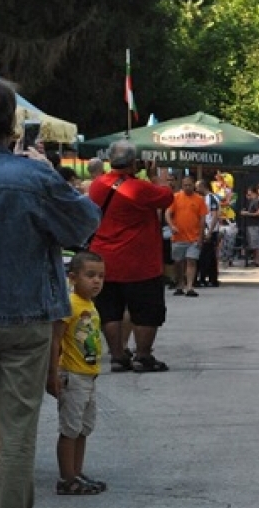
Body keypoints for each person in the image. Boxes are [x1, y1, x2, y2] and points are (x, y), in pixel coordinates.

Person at [0, 79, 100, 508]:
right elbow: (84, 225)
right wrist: (48, 174)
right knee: (17, 430)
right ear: (11, 124)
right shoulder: (32, 176)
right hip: (25, 316)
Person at [88, 139, 175, 373]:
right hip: (139, 260)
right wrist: (155, 175)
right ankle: (143, 356)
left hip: (104, 257)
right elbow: (167, 197)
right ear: (134, 162)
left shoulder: (97, 185)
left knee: (110, 310)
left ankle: (117, 355)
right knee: (146, 310)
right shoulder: (140, 188)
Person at [47, 251, 108, 495]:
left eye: (101, 276)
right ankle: (66, 478)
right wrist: (52, 373)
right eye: (90, 275)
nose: (96, 281)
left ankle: (77, 472)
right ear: (72, 278)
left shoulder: (90, 304)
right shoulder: (70, 304)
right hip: (72, 375)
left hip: (88, 375)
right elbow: (55, 340)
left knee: (83, 427)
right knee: (70, 429)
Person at [166, 176, 209, 297]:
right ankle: (180, 284)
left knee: (191, 261)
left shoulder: (199, 200)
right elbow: (168, 213)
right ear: (182, 185)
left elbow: (202, 219)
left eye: (190, 185)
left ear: (193, 186)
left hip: (193, 237)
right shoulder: (176, 198)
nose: (187, 187)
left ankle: (190, 286)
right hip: (178, 237)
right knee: (178, 262)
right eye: (185, 185)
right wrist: (171, 226)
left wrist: (201, 236)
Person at [194, 179, 221, 288]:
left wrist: (210, 231)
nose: (196, 189)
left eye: (197, 187)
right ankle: (212, 278)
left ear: (202, 186)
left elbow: (214, 215)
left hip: (210, 230)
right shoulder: (203, 199)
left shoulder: (211, 198)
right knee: (209, 255)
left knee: (206, 255)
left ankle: (205, 278)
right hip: (206, 230)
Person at [241, 185, 259, 266]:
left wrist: (247, 213)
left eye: (249, 193)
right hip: (250, 225)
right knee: (253, 243)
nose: (248, 195)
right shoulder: (251, 201)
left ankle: (258, 260)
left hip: (255, 225)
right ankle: (256, 259)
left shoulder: (256, 201)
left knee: (257, 243)